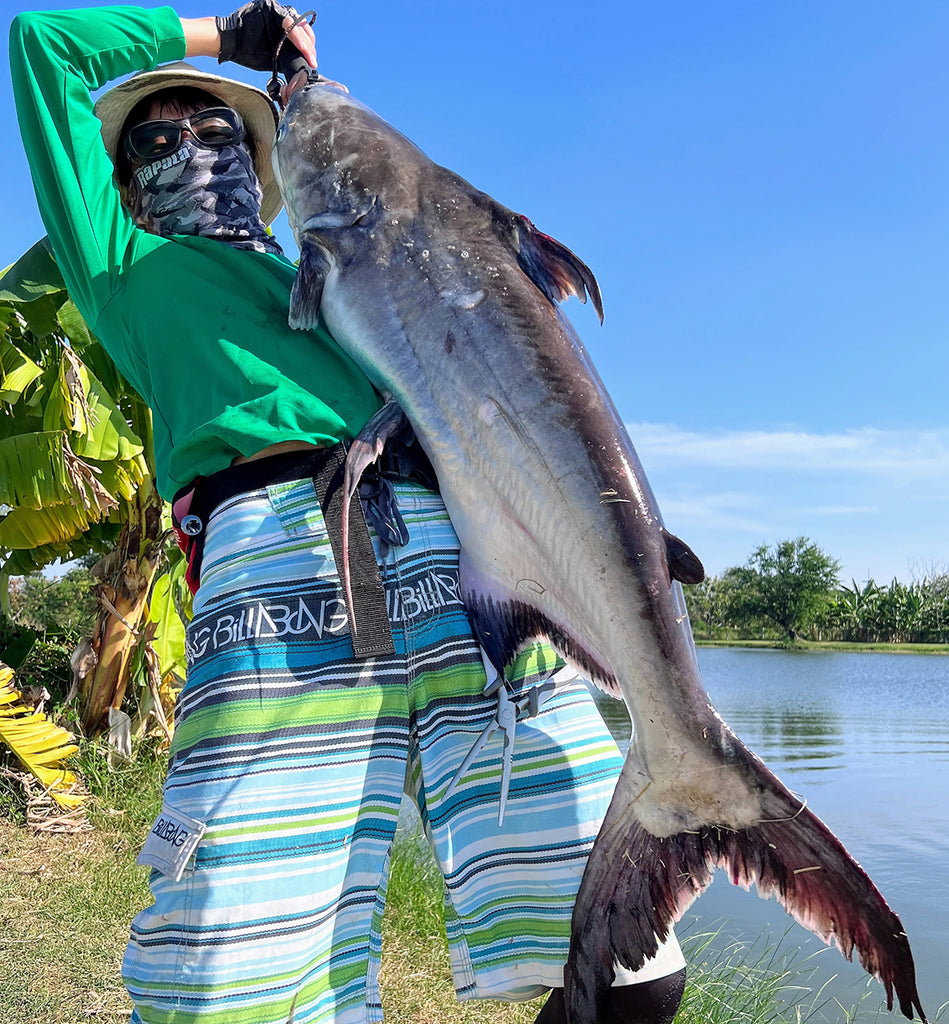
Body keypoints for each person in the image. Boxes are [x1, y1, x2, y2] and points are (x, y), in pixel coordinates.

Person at [10, 3, 687, 1022]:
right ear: (120, 182)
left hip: (460, 552)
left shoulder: (328, 283)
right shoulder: (122, 266)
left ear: (256, 161)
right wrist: (222, 40)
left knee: (630, 966)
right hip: (281, 560)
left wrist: (297, 83)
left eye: (215, 132)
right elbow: (41, 48)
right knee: (248, 983)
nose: (188, 147)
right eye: (155, 138)